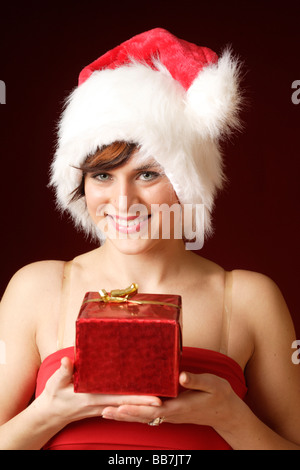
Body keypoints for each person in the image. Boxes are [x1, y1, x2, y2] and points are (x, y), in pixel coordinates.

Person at [0, 28, 299, 450]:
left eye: (148, 174)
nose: (124, 201)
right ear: (81, 183)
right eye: (102, 175)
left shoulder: (249, 299)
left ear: (187, 182)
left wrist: (231, 419)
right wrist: (50, 412)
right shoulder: (37, 288)